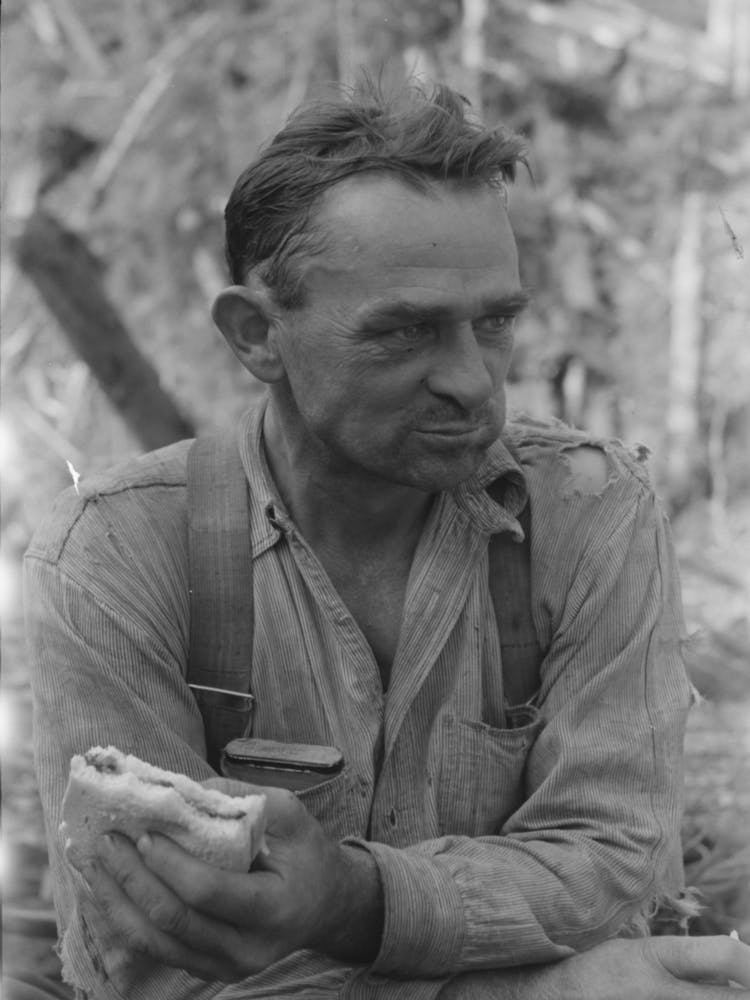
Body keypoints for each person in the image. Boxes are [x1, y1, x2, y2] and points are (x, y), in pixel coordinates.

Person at [24, 80, 750, 1000]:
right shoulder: (117, 553)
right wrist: (529, 988)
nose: (471, 382)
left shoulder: (588, 510)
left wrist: (351, 902)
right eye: (403, 331)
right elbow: (156, 968)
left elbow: (614, 875)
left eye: (494, 323)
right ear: (256, 335)